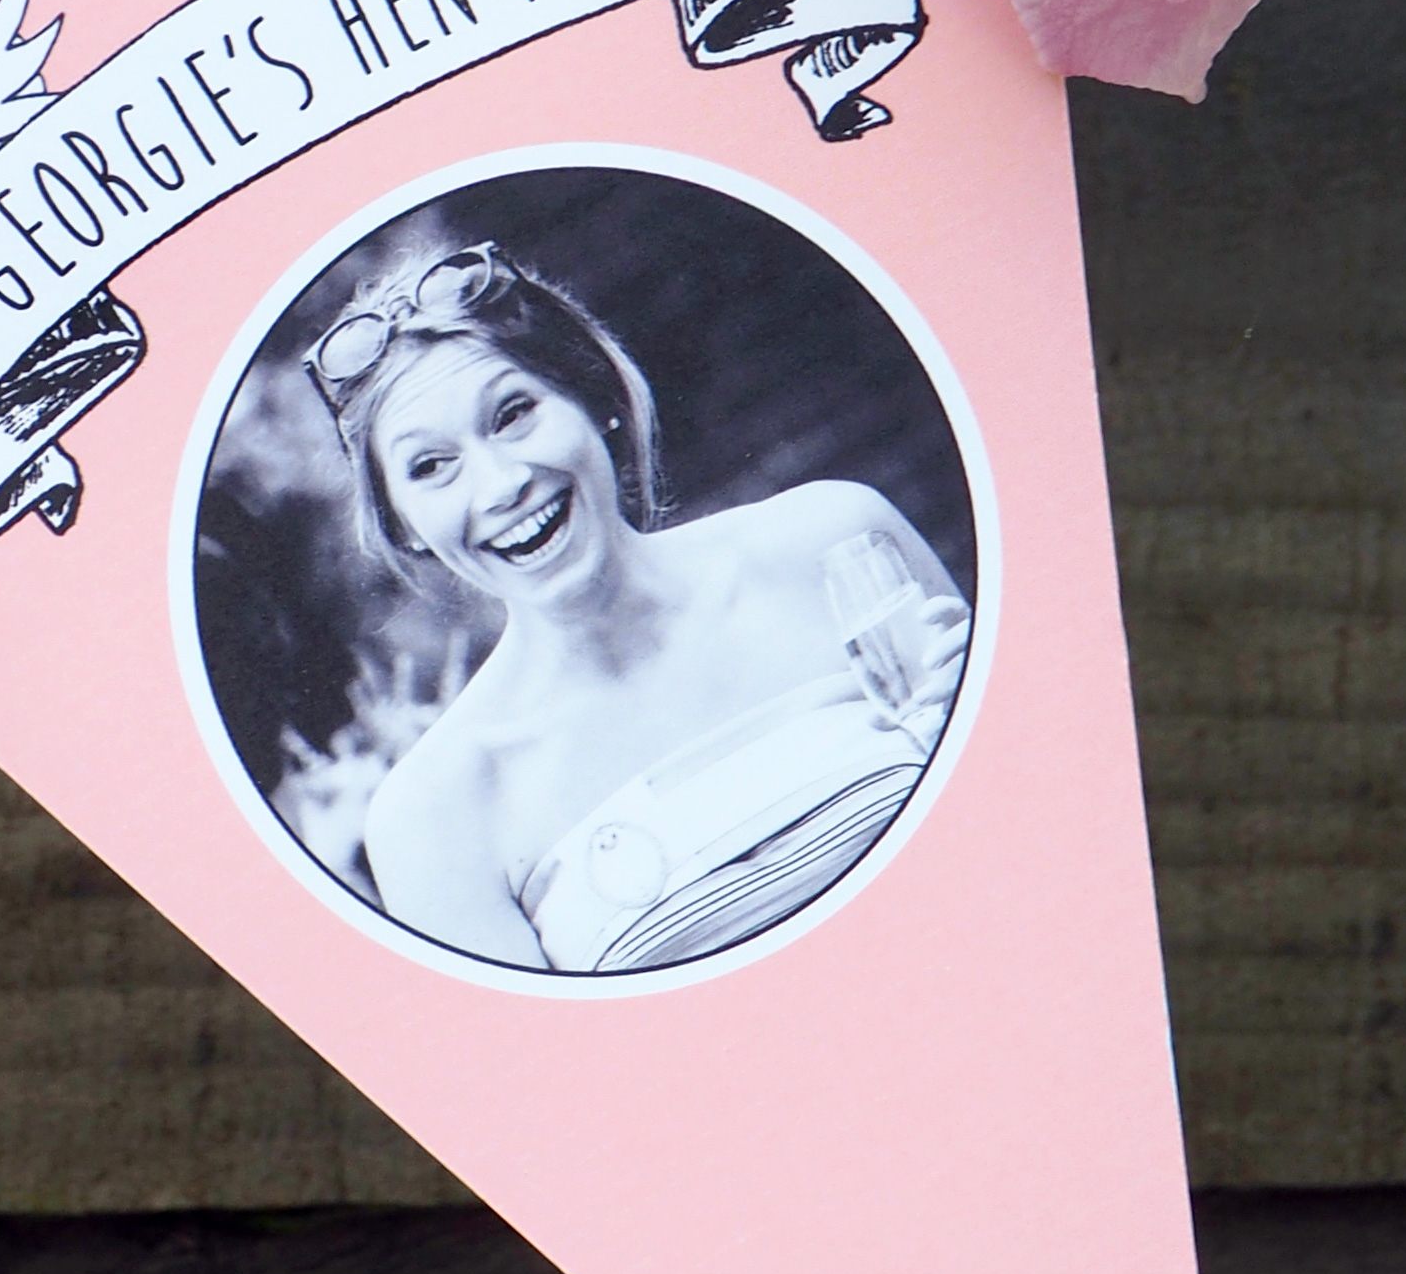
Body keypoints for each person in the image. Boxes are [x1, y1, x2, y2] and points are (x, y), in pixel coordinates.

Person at [310, 244, 970, 972]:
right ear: (403, 524)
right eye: (432, 467)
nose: (500, 485)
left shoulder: (834, 541)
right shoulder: (431, 816)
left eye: (514, 414)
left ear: (592, 398)